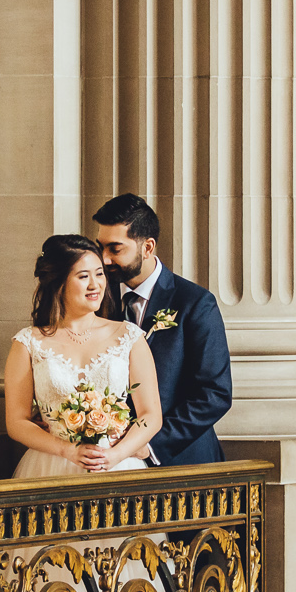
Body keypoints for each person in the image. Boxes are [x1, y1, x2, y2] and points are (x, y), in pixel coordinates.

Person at [4, 234, 163, 477]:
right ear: (59, 283)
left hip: (117, 465)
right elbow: (17, 422)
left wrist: (116, 455)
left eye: (99, 274)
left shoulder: (129, 337)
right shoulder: (28, 343)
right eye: (83, 276)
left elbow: (151, 415)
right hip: (50, 466)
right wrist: (66, 450)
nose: (95, 284)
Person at [91, 193, 232, 466]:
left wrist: (149, 446)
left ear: (147, 247)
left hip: (180, 460)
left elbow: (215, 394)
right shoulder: (98, 302)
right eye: (101, 248)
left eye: (115, 249)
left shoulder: (195, 303)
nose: (104, 260)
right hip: (110, 460)